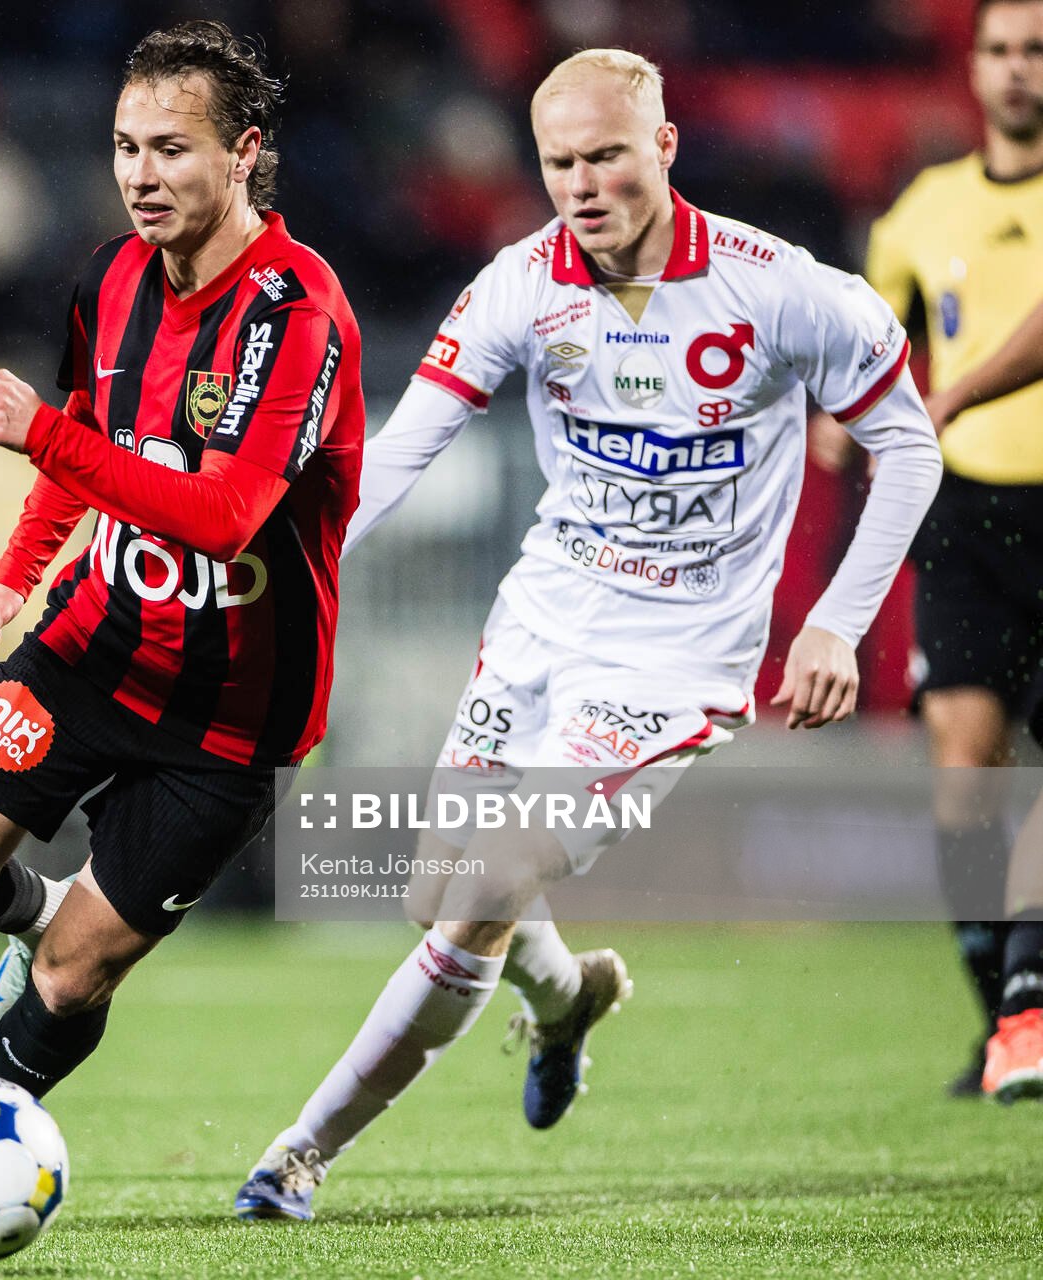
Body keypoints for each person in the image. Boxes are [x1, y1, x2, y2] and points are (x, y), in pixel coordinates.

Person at [232, 48, 944, 1221]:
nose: (581, 181)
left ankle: (296, 1156)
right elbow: (402, 446)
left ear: (663, 147)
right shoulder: (522, 284)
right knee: (438, 892)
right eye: (560, 161)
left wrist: (833, 624)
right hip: (544, 621)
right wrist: (287, 575)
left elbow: (908, 446)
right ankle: (566, 1004)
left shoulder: (783, 291)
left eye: (607, 154)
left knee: (486, 884)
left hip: (676, 662)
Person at [0, 19, 363, 1101]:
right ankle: (43, 906)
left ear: (243, 152)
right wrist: (17, 571)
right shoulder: (112, 280)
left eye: (171, 148)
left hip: (230, 715)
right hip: (93, 648)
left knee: (76, 971)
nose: (141, 174)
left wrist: (44, 432)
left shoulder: (296, 313)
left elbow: (228, 515)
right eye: (125, 146)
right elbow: (94, 444)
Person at [863, 0, 1043, 1097]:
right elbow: (871, 355)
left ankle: (1030, 1002)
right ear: (971, 70)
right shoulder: (921, 211)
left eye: (1038, 50)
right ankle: (999, 1025)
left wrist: (954, 391)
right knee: (962, 788)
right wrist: (843, 422)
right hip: (971, 513)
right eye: (1002, 50)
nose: (1020, 69)